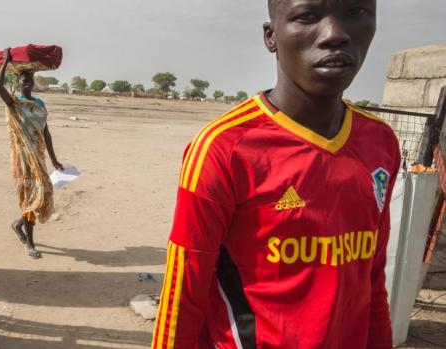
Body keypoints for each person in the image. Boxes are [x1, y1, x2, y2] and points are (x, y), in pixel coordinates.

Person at [152, 1, 398, 348]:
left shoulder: (380, 142)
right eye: (307, 17)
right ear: (271, 36)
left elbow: (371, 279)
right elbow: (183, 294)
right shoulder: (225, 148)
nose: (335, 35)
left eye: (355, 13)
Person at [0, 48, 64, 259]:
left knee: (41, 196)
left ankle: (18, 225)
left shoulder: (39, 104)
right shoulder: (13, 103)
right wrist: (5, 61)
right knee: (28, 198)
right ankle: (30, 244)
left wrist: (54, 159)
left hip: (39, 157)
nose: (28, 84)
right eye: (24, 80)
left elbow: (46, 132)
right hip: (23, 160)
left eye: (30, 80)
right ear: (18, 82)